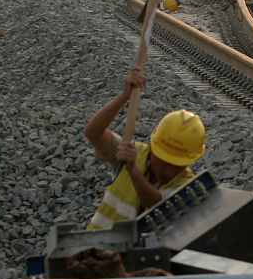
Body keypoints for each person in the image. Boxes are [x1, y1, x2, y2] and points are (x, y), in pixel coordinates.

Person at [83, 67, 206, 230]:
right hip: (92, 250)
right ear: (152, 148)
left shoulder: (187, 185)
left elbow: (158, 205)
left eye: (177, 166)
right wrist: (124, 96)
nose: (168, 171)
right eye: (164, 162)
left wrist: (133, 170)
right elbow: (93, 133)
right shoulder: (133, 152)